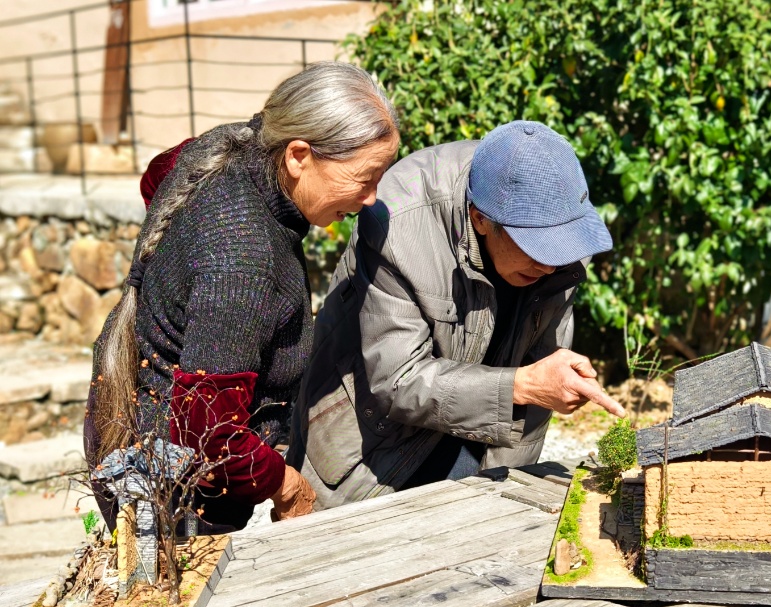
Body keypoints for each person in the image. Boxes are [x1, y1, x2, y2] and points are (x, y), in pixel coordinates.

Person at [85, 61, 400, 531]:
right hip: (173, 490)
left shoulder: (237, 144)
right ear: (298, 156)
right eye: (364, 178)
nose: (372, 197)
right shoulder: (242, 258)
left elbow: (157, 175)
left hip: (134, 422)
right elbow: (207, 436)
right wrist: (287, 485)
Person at [287, 120, 626, 509]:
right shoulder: (400, 221)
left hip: (476, 439)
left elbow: (532, 399)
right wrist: (522, 385)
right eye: (535, 246)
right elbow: (398, 380)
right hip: (371, 451)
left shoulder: (563, 240)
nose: (550, 265)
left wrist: (504, 502)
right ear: (480, 219)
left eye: (557, 246)